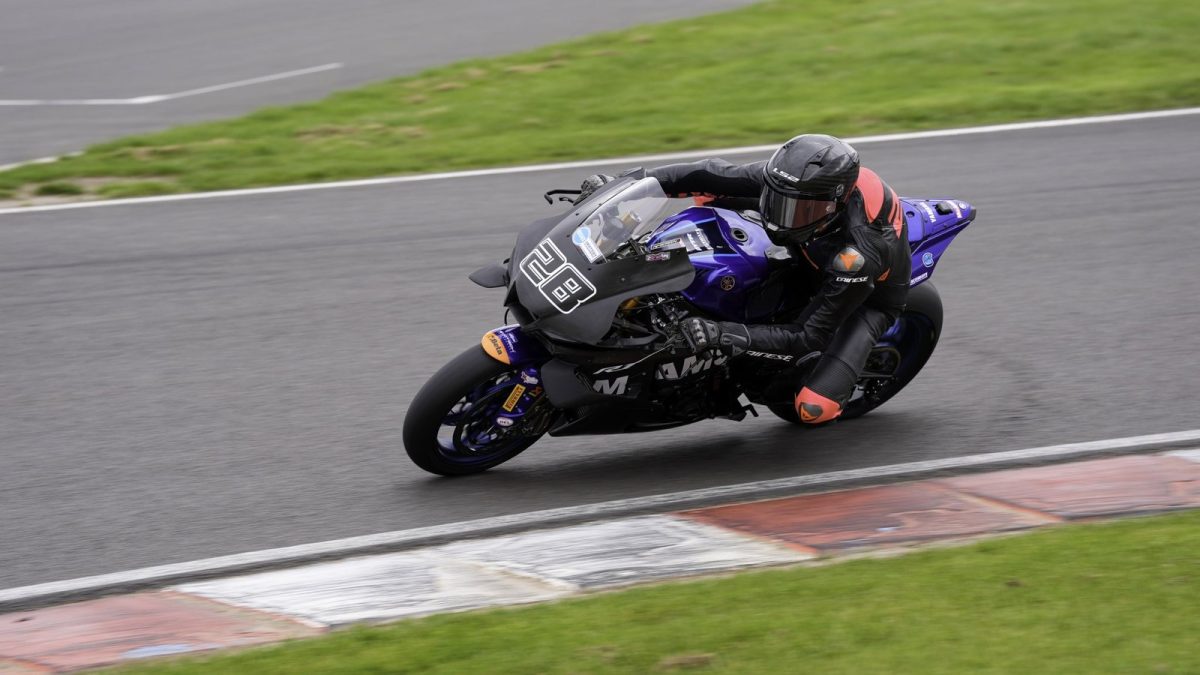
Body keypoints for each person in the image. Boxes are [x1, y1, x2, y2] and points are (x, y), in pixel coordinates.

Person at [579, 134, 910, 424]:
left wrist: (721, 333)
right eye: (779, 200)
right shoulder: (794, 184)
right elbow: (707, 173)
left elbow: (807, 336)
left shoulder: (859, 253)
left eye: (798, 210)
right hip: (813, 249)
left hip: (869, 296)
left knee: (813, 408)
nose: (781, 217)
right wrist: (620, 188)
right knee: (708, 193)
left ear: (833, 206)